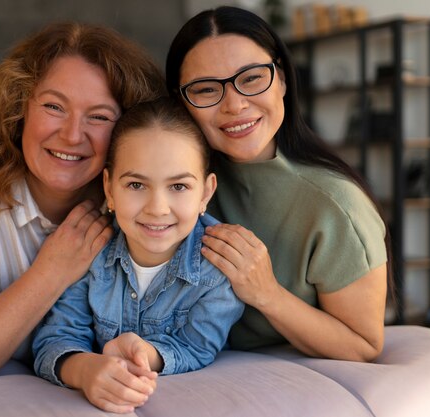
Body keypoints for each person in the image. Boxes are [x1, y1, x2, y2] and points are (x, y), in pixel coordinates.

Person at [0, 22, 166, 386]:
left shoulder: (147, 205)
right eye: (54, 106)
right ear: (18, 109)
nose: (72, 135)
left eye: (100, 116)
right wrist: (52, 272)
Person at [165, 6, 390, 362]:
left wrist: (267, 293)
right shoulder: (167, 186)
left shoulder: (336, 205)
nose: (235, 105)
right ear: (182, 103)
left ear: (281, 79)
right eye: (206, 89)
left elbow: (363, 345)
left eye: (252, 78)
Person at [31, 97, 244, 414]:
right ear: (109, 188)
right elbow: (56, 339)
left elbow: (197, 346)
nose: (157, 208)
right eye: (135, 184)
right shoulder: (88, 251)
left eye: (179, 187)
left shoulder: (218, 267)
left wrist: (146, 354)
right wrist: (87, 369)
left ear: (206, 193)